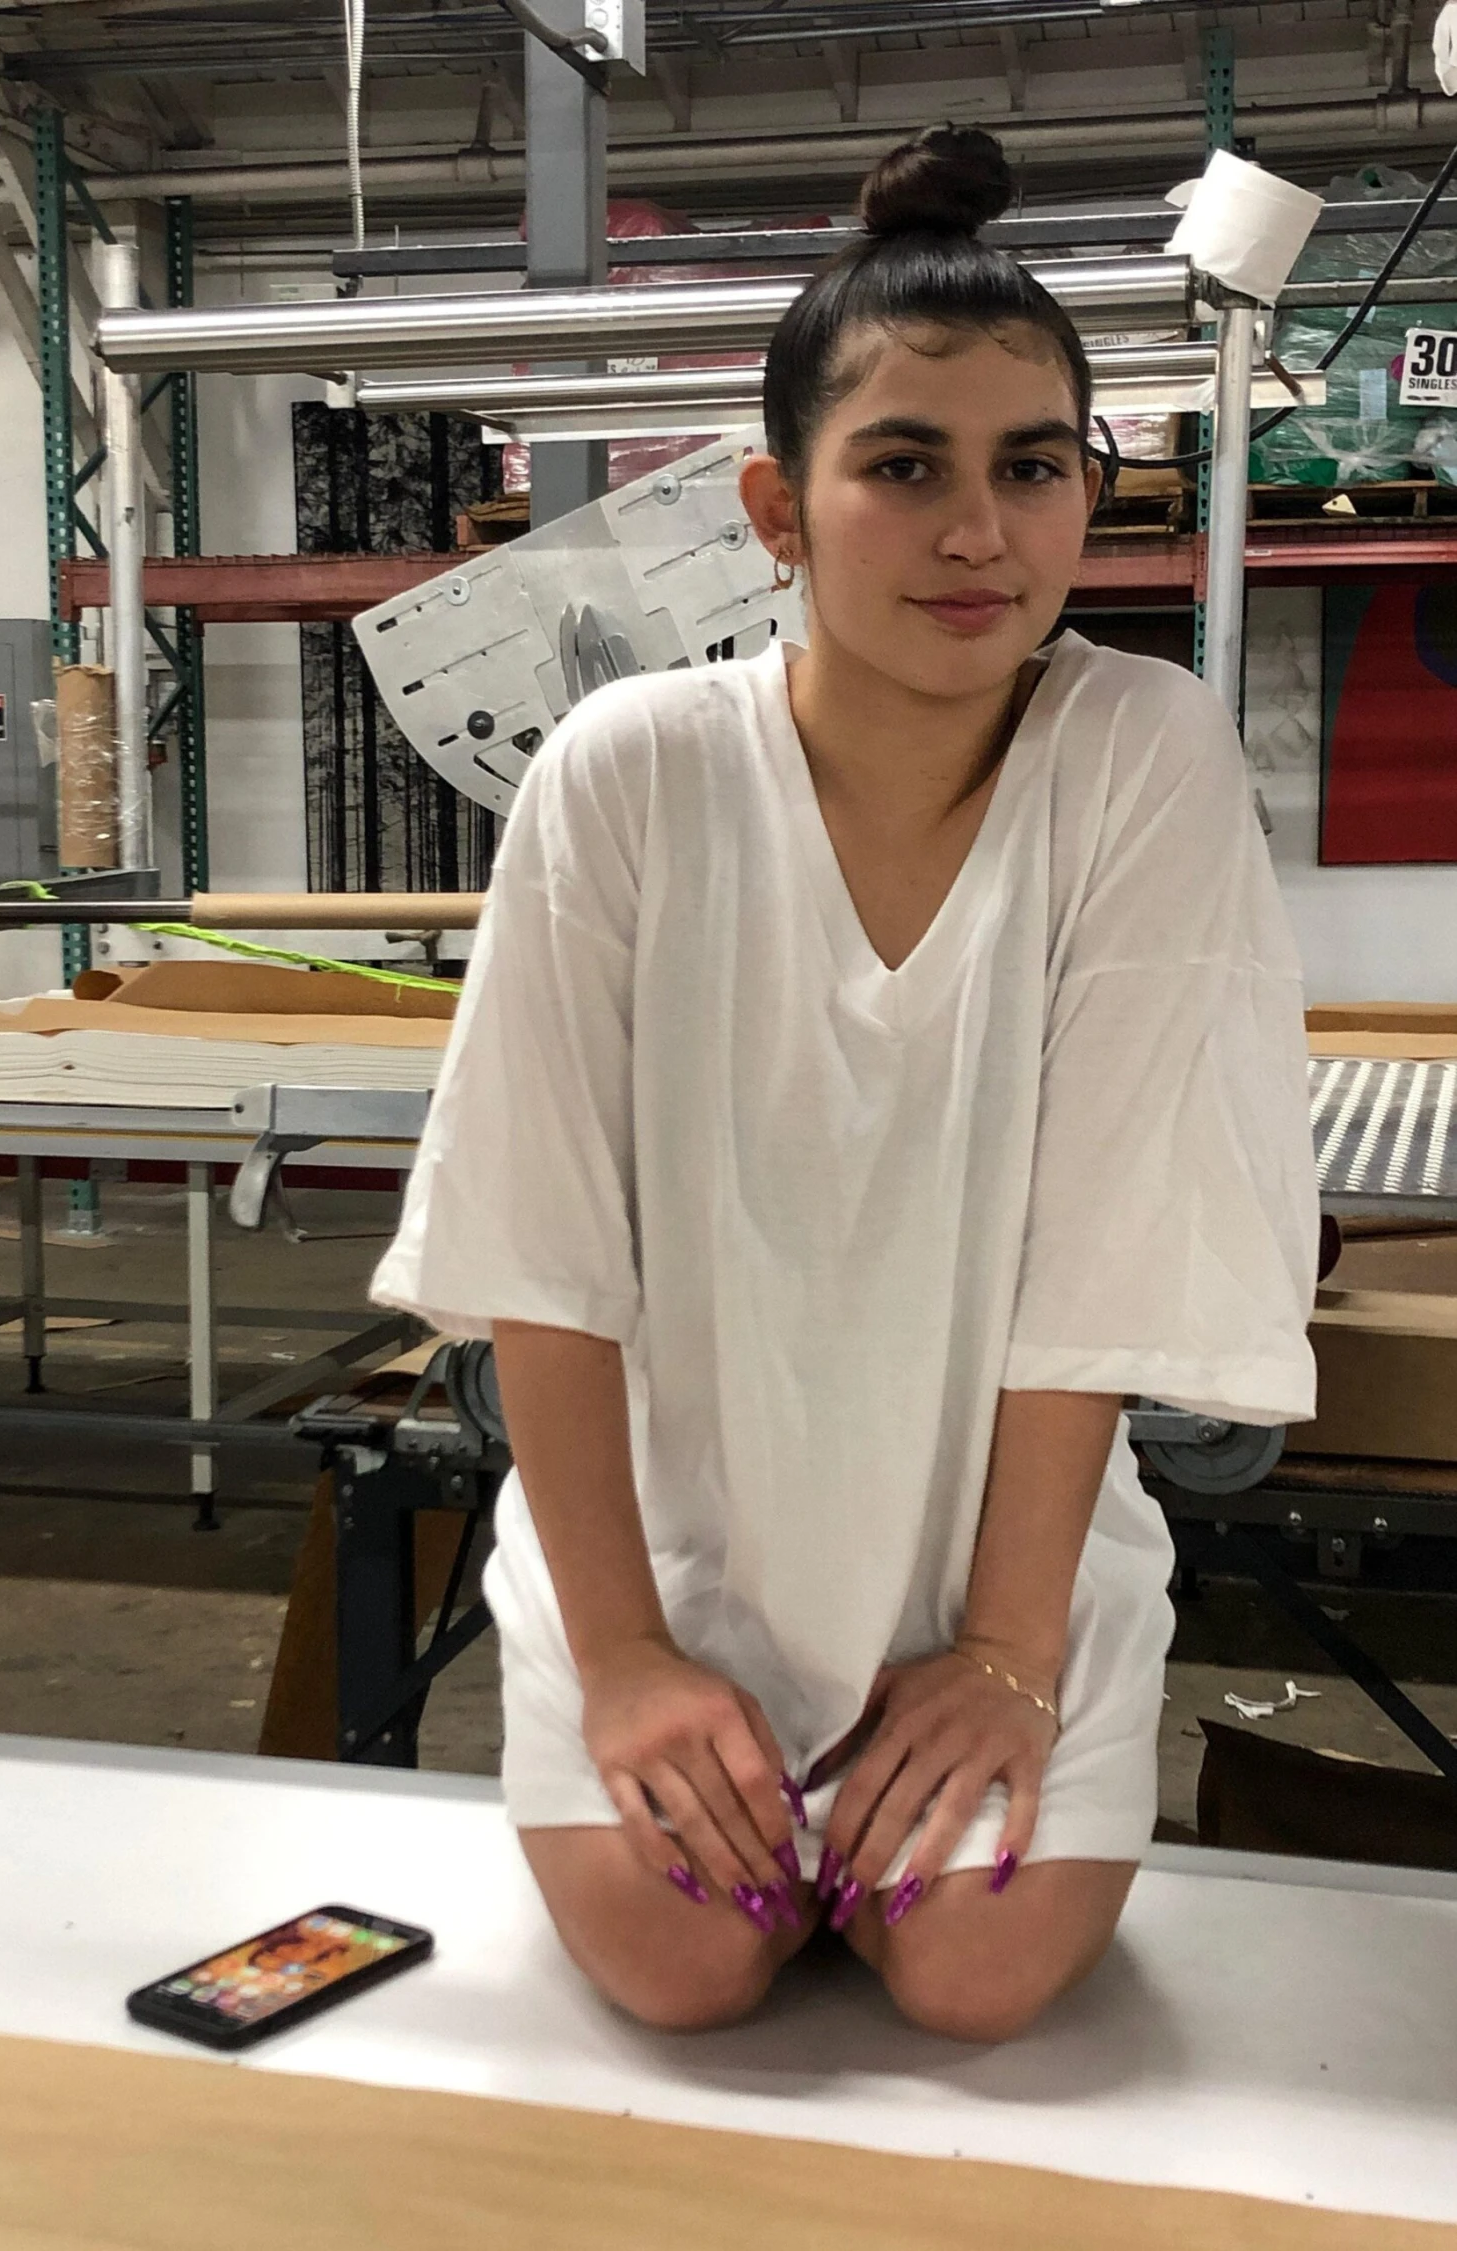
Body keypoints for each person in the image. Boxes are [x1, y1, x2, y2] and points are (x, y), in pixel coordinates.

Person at [372, 121, 1318, 2042]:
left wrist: (1010, 1652)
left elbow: (1116, 1244)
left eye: (1032, 467)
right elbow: (540, 1245)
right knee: (684, 1963)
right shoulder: (632, 771)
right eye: (904, 467)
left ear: (1088, 487)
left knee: (974, 1976)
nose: (980, 533)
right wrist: (629, 1657)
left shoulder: (1141, 754)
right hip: (670, 1553)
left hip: (1001, 1562)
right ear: (777, 510)